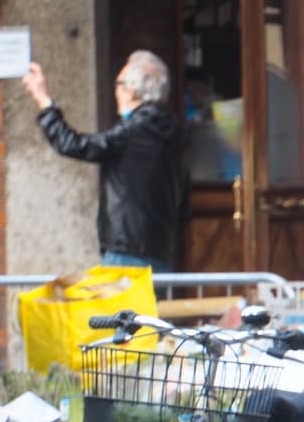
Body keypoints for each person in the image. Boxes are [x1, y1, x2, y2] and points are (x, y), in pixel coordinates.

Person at [22, 50, 186, 274]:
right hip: (160, 251)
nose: (115, 90)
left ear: (131, 89)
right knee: (149, 310)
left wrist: (43, 100)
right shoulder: (171, 132)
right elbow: (184, 198)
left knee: (121, 310)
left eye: (118, 83)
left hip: (126, 252)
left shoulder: (135, 130)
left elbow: (75, 144)